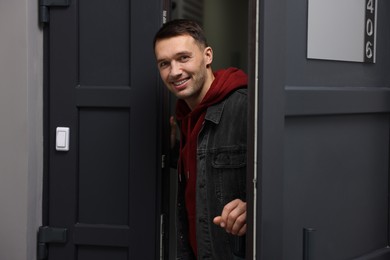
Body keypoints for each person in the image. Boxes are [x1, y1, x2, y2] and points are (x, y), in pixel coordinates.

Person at [153, 19, 248, 260]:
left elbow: (286, 179)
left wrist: (253, 207)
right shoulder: (186, 117)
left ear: (207, 56)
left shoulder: (245, 107)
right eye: (165, 63)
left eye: (183, 58)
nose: (174, 72)